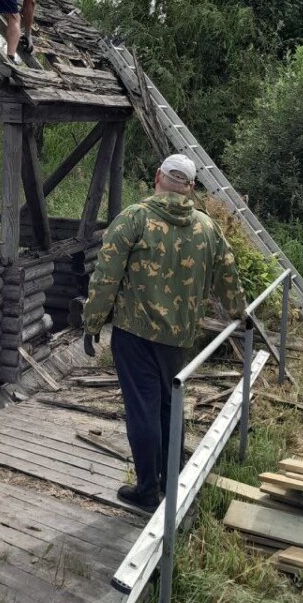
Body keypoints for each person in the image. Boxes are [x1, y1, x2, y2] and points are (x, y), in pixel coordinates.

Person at [81, 153, 247, 511]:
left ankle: (146, 490)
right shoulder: (206, 227)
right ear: (190, 187)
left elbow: (105, 277)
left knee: (143, 408)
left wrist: (92, 323)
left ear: (157, 177)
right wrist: (239, 313)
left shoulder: (134, 218)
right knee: (170, 407)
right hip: (178, 336)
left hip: (134, 333)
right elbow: (228, 275)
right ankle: (172, 481)